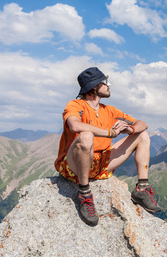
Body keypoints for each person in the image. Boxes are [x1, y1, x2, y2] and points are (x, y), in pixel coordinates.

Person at [54, 67, 161, 226]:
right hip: (73, 165)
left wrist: (130, 129)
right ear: (93, 87)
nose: (108, 85)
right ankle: (84, 193)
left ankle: (142, 189)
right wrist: (109, 133)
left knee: (142, 135)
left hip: (100, 163)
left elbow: (143, 124)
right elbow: (75, 126)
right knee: (86, 135)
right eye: (104, 82)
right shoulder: (75, 105)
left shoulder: (109, 111)